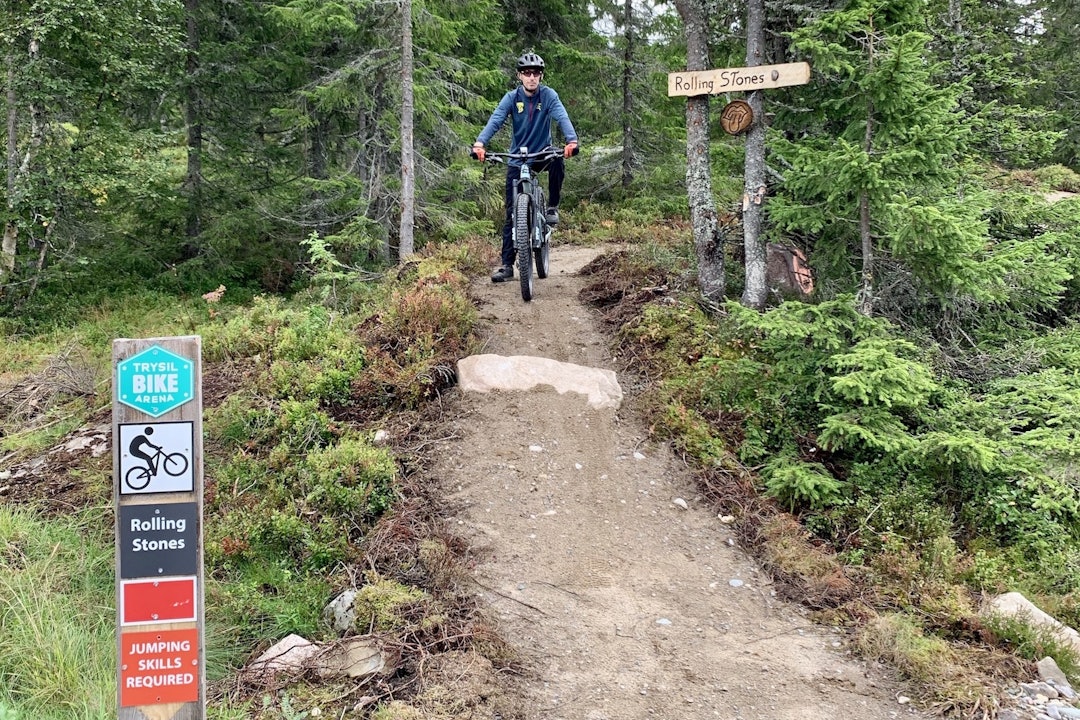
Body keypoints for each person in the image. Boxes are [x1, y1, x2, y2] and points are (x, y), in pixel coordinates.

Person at [473, 52, 579, 283]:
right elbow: (496, 119)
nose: (532, 77)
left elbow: (562, 116)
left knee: (557, 159)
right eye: (527, 73)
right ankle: (507, 266)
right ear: (520, 75)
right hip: (517, 158)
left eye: (536, 73)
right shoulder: (511, 98)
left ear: (541, 76)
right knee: (511, 213)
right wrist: (480, 143)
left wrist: (572, 141)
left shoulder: (549, 96)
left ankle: (551, 207)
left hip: (542, 153)